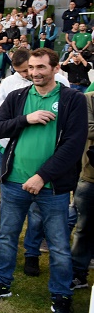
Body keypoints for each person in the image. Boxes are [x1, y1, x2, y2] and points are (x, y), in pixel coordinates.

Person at [0, 49, 87, 313]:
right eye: (31, 67)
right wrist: (25, 120)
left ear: (55, 68)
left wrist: (42, 176)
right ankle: (0, 283)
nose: (35, 72)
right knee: (6, 236)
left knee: (59, 245)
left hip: (52, 187)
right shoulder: (18, 97)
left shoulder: (72, 99)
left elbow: (73, 146)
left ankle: (61, 297)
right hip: (14, 182)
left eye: (41, 67)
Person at [70, 90, 94, 289]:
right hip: (90, 175)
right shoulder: (88, 98)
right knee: (83, 228)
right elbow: (88, 129)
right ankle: (78, 273)